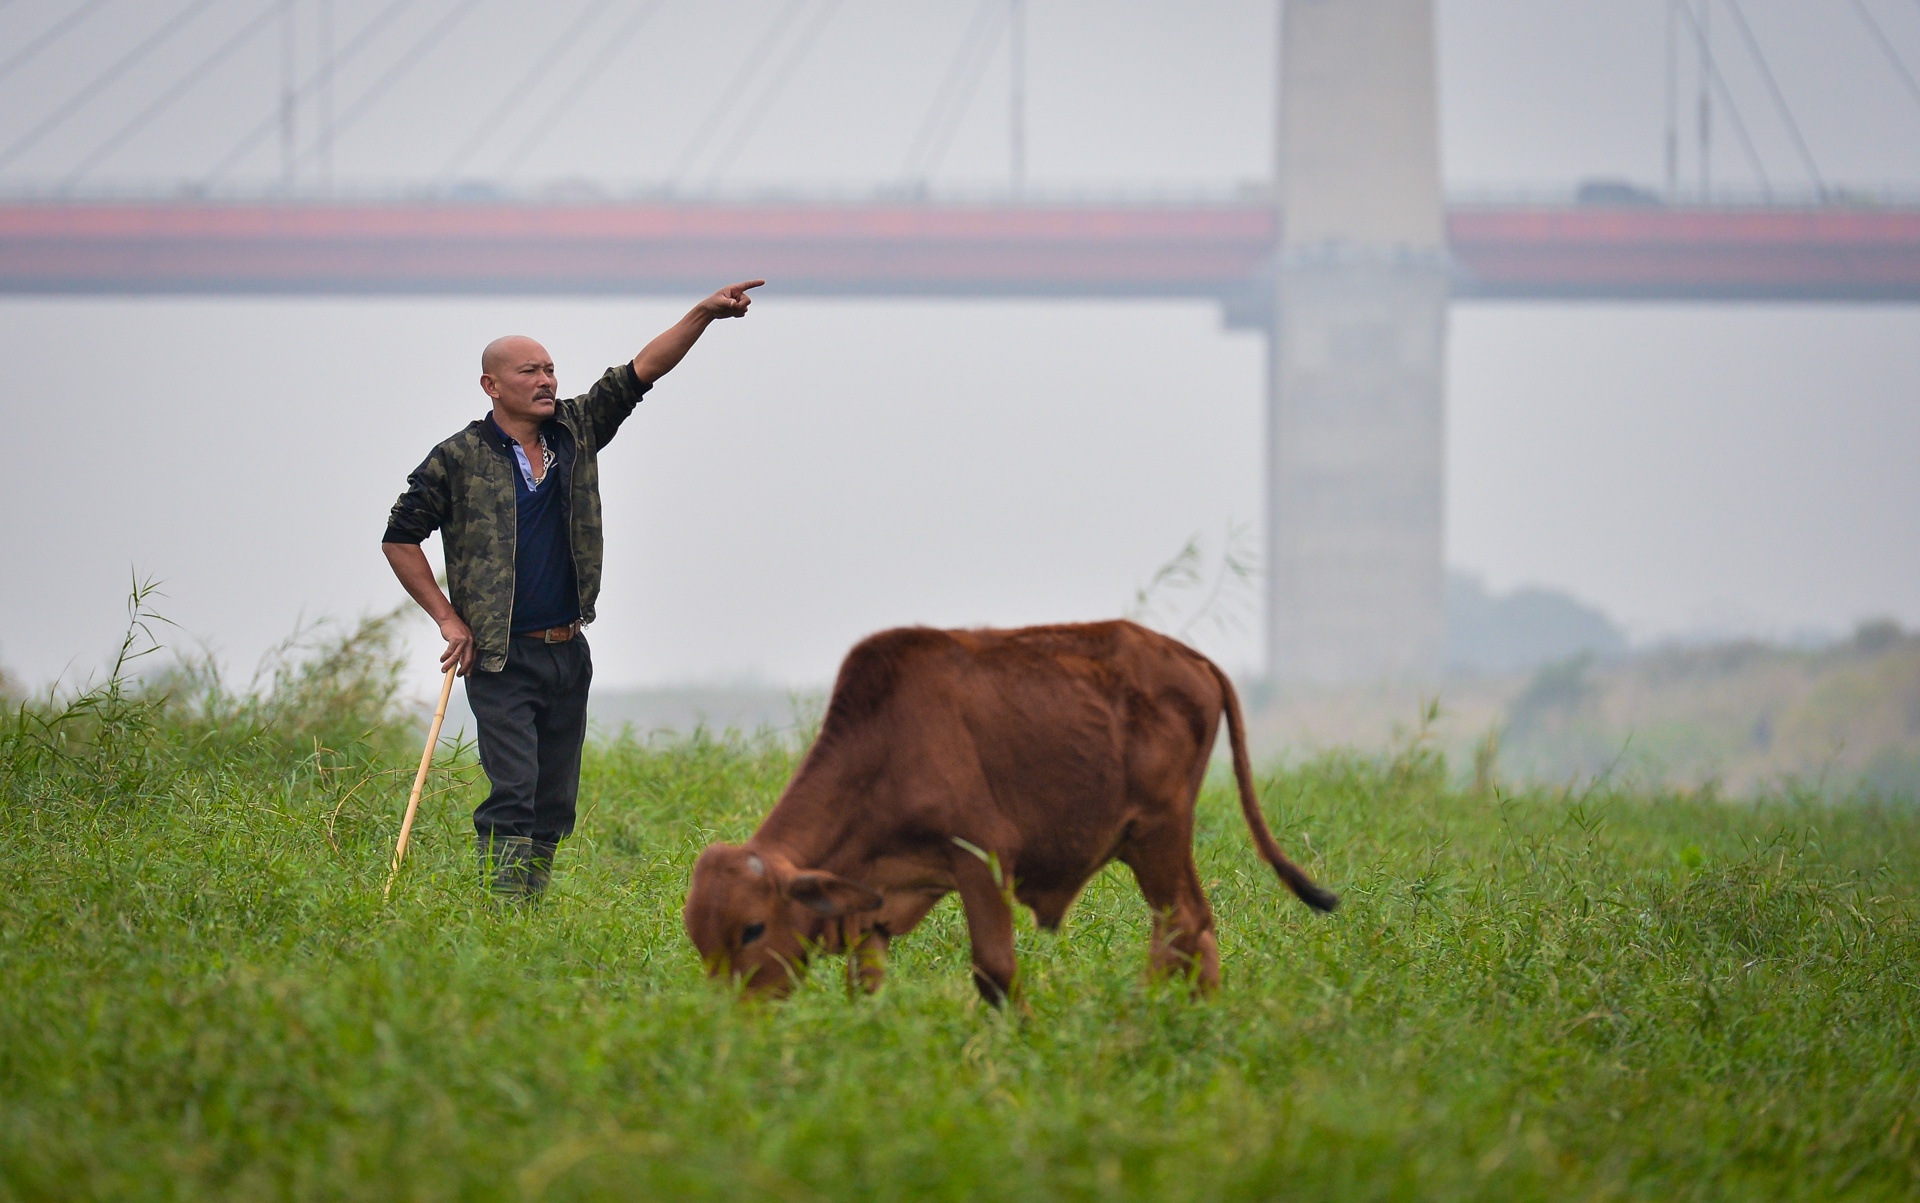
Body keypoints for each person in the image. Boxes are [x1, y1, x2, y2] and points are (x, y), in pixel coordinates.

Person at [382, 280, 764, 897]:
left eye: (551, 370)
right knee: (513, 792)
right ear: (492, 385)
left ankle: (528, 915)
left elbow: (642, 372)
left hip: (568, 650)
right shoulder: (456, 458)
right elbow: (399, 538)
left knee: (554, 802)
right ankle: (503, 914)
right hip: (500, 655)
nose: (546, 381)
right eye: (529, 371)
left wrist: (701, 315)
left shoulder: (575, 430)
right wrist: (449, 620)